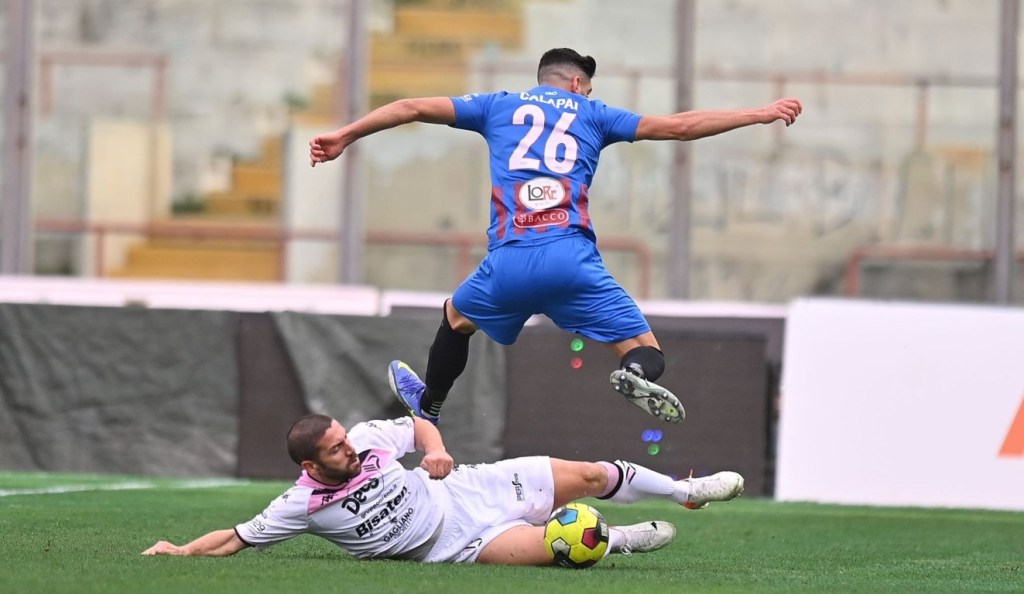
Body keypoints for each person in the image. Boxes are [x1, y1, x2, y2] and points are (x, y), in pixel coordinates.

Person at [309, 48, 803, 426]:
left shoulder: (495, 105)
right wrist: (758, 114)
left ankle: (431, 404)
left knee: (456, 319)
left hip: (509, 261)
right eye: (585, 88)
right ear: (575, 82)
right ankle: (635, 375)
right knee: (647, 349)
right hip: (572, 260)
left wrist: (344, 136)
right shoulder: (595, 114)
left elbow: (412, 106)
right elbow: (680, 127)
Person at [142, 412, 745, 565]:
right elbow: (238, 539)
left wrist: (433, 450)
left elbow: (421, 424)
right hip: (451, 546)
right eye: (335, 450)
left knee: (588, 475)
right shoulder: (300, 505)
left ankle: (684, 491)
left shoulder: (370, 441)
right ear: (311, 464)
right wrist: (181, 550)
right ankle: (620, 541)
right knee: (568, 548)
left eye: (344, 440)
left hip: (465, 490)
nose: (349, 449)